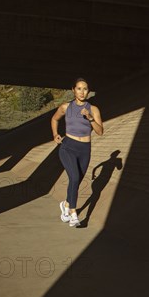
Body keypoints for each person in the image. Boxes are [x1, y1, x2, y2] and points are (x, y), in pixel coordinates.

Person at [51, 78, 104, 227]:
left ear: (88, 91)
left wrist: (90, 118)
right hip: (68, 147)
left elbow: (100, 131)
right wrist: (55, 134)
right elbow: (54, 119)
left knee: (77, 181)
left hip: (85, 149)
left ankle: (66, 205)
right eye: (79, 88)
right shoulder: (65, 107)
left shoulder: (93, 109)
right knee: (74, 177)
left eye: (85, 89)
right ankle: (73, 213)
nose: (82, 92)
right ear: (73, 90)